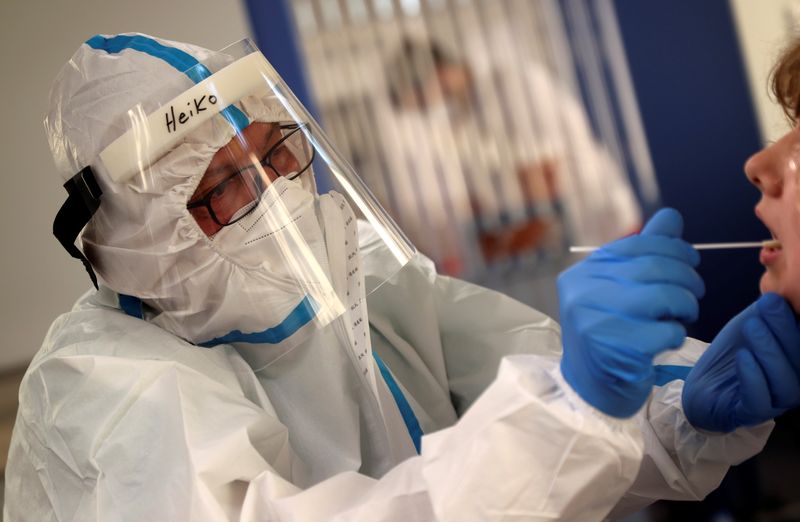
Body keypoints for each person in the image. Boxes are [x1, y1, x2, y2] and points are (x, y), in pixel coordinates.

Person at [3, 32, 798, 521]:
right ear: (135, 244)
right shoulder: (108, 394)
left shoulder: (360, 280)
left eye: (276, 152)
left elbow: (548, 431)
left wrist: (679, 413)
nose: (277, 195)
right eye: (219, 188)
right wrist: (572, 412)